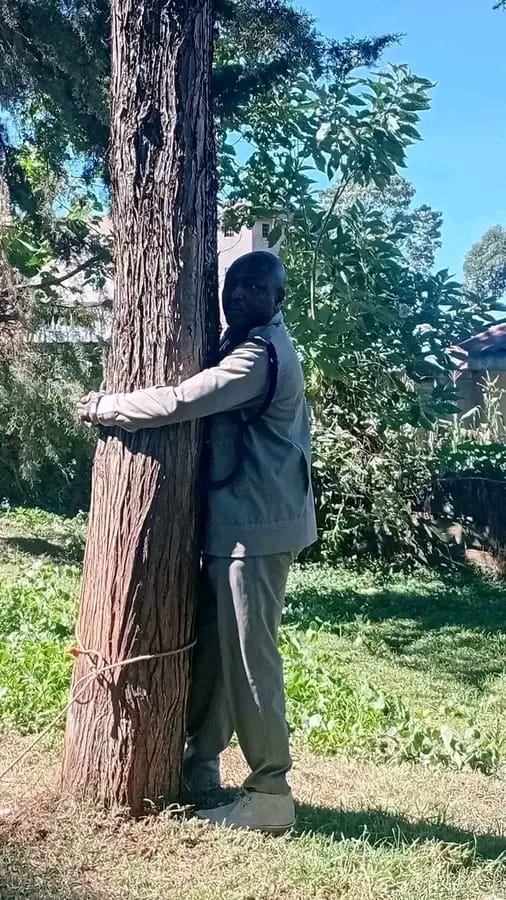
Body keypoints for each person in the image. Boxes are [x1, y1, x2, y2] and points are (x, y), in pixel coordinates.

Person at [77, 250, 317, 833]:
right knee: (215, 648)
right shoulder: (247, 344)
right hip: (239, 526)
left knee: (248, 656)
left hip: (256, 533)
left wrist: (106, 406)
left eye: (255, 288)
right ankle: (202, 763)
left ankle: (270, 793)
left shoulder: (258, 359)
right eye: (233, 285)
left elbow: (185, 401)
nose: (238, 296)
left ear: (277, 299)